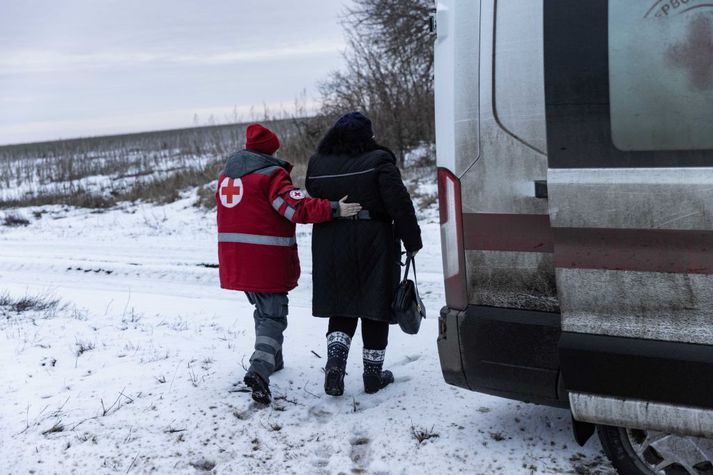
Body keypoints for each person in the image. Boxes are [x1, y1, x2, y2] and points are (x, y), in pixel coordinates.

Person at [216, 123, 362, 404]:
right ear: (271, 149)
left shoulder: (227, 176)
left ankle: (275, 359)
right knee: (273, 316)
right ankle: (259, 370)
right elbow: (295, 209)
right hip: (264, 261)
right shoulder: (270, 175)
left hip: (236, 260)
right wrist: (334, 209)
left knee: (264, 311)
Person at [305, 112, 422, 396]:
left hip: (331, 240)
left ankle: (335, 365)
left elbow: (312, 191)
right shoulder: (379, 160)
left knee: (341, 304)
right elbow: (399, 203)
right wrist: (412, 240)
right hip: (374, 240)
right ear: (368, 136)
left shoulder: (317, 163)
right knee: (375, 307)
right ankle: (373, 376)